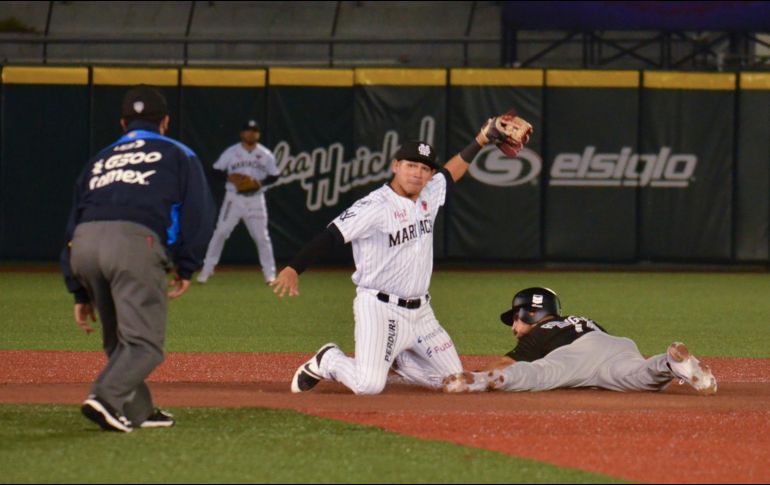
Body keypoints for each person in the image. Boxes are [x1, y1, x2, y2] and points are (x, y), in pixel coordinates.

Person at [271, 117, 518, 395]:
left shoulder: (429, 191)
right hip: (380, 308)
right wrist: (294, 268)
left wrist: (481, 140)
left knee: (455, 382)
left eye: (424, 168)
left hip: (422, 313)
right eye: (411, 165)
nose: (417, 173)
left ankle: (397, 358)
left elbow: (450, 173)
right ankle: (329, 359)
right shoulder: (374, 206)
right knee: (368, 386)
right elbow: (331, 235)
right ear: (396, 166)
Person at [60, 85, 216, 432]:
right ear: (165, 122)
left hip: (84, 245)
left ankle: (139, 410)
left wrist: (79, 289)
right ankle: (105, 397)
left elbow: (74, 219)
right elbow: (199, 212)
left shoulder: (99, 158)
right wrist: (187, 263)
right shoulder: (178, 152)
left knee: (117, 340)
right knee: (145, 345)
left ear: (122, 123)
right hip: (133, 243)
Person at [442, 287, 718, 395]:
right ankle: (670, 363)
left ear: (529, 313)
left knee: (537, 374)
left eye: (515, 318)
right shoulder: (578, 320)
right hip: (618, 344)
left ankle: (482, 382)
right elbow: (598, 346)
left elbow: (507, 361)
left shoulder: (541, 330)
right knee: (639, 375)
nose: (514, 328)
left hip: (575, 356)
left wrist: (478, 371)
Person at [197, 119, 280, 284]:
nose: (251, 133)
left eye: (254, 130)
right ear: (242, 133)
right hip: (234, 198)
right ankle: (206, 271)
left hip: (256, 199)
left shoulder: (265, 154)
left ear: (258, 134)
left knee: (262, 237)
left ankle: (270, 275)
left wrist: (260, 183)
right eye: (248, 130)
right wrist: (230, 177)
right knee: (221, 232)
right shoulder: (232, 152)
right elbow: (215, 170)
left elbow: (275, 175)